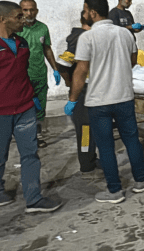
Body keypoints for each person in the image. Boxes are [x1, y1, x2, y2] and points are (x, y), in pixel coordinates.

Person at [0, 1, 62, 212]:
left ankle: (33, 198)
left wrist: (33, 96)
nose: (23, 20)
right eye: (18, 16)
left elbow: (21, 74)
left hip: (24, 108)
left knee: (30, 154)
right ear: (3, 19)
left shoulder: (23, 43)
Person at [65, 0, 144, 203]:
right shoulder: (124, 34)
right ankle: (141, 181)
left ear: (92, 12)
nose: (84, 14)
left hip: (98, 101)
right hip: (124, 96)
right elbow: (133, 60)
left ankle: (115, 191)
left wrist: (72, 99)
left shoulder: (87, 38)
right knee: (131, 139)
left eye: (85, 10)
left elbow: (80, 72)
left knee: (106, 146)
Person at [56, 11, 98, 174]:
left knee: (91, 127)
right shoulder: (81, 37)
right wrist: (71, 83)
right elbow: (63, 64)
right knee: (86, 128)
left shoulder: (87, 36)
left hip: (89, 90)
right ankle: (87, 164)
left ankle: (90, 158)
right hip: (83, 90)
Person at [18, 0, 61, 148]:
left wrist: (55, 69)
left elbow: (47, 49)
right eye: (25, 10)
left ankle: (37, 135)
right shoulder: (17, 29)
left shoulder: (43, 28)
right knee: (24, 107)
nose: (29, 13)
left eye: (32, 9)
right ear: (20, 10)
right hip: (22, 76)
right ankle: (24, 136)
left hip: (40, 74)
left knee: (40, 107)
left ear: (37, 10)